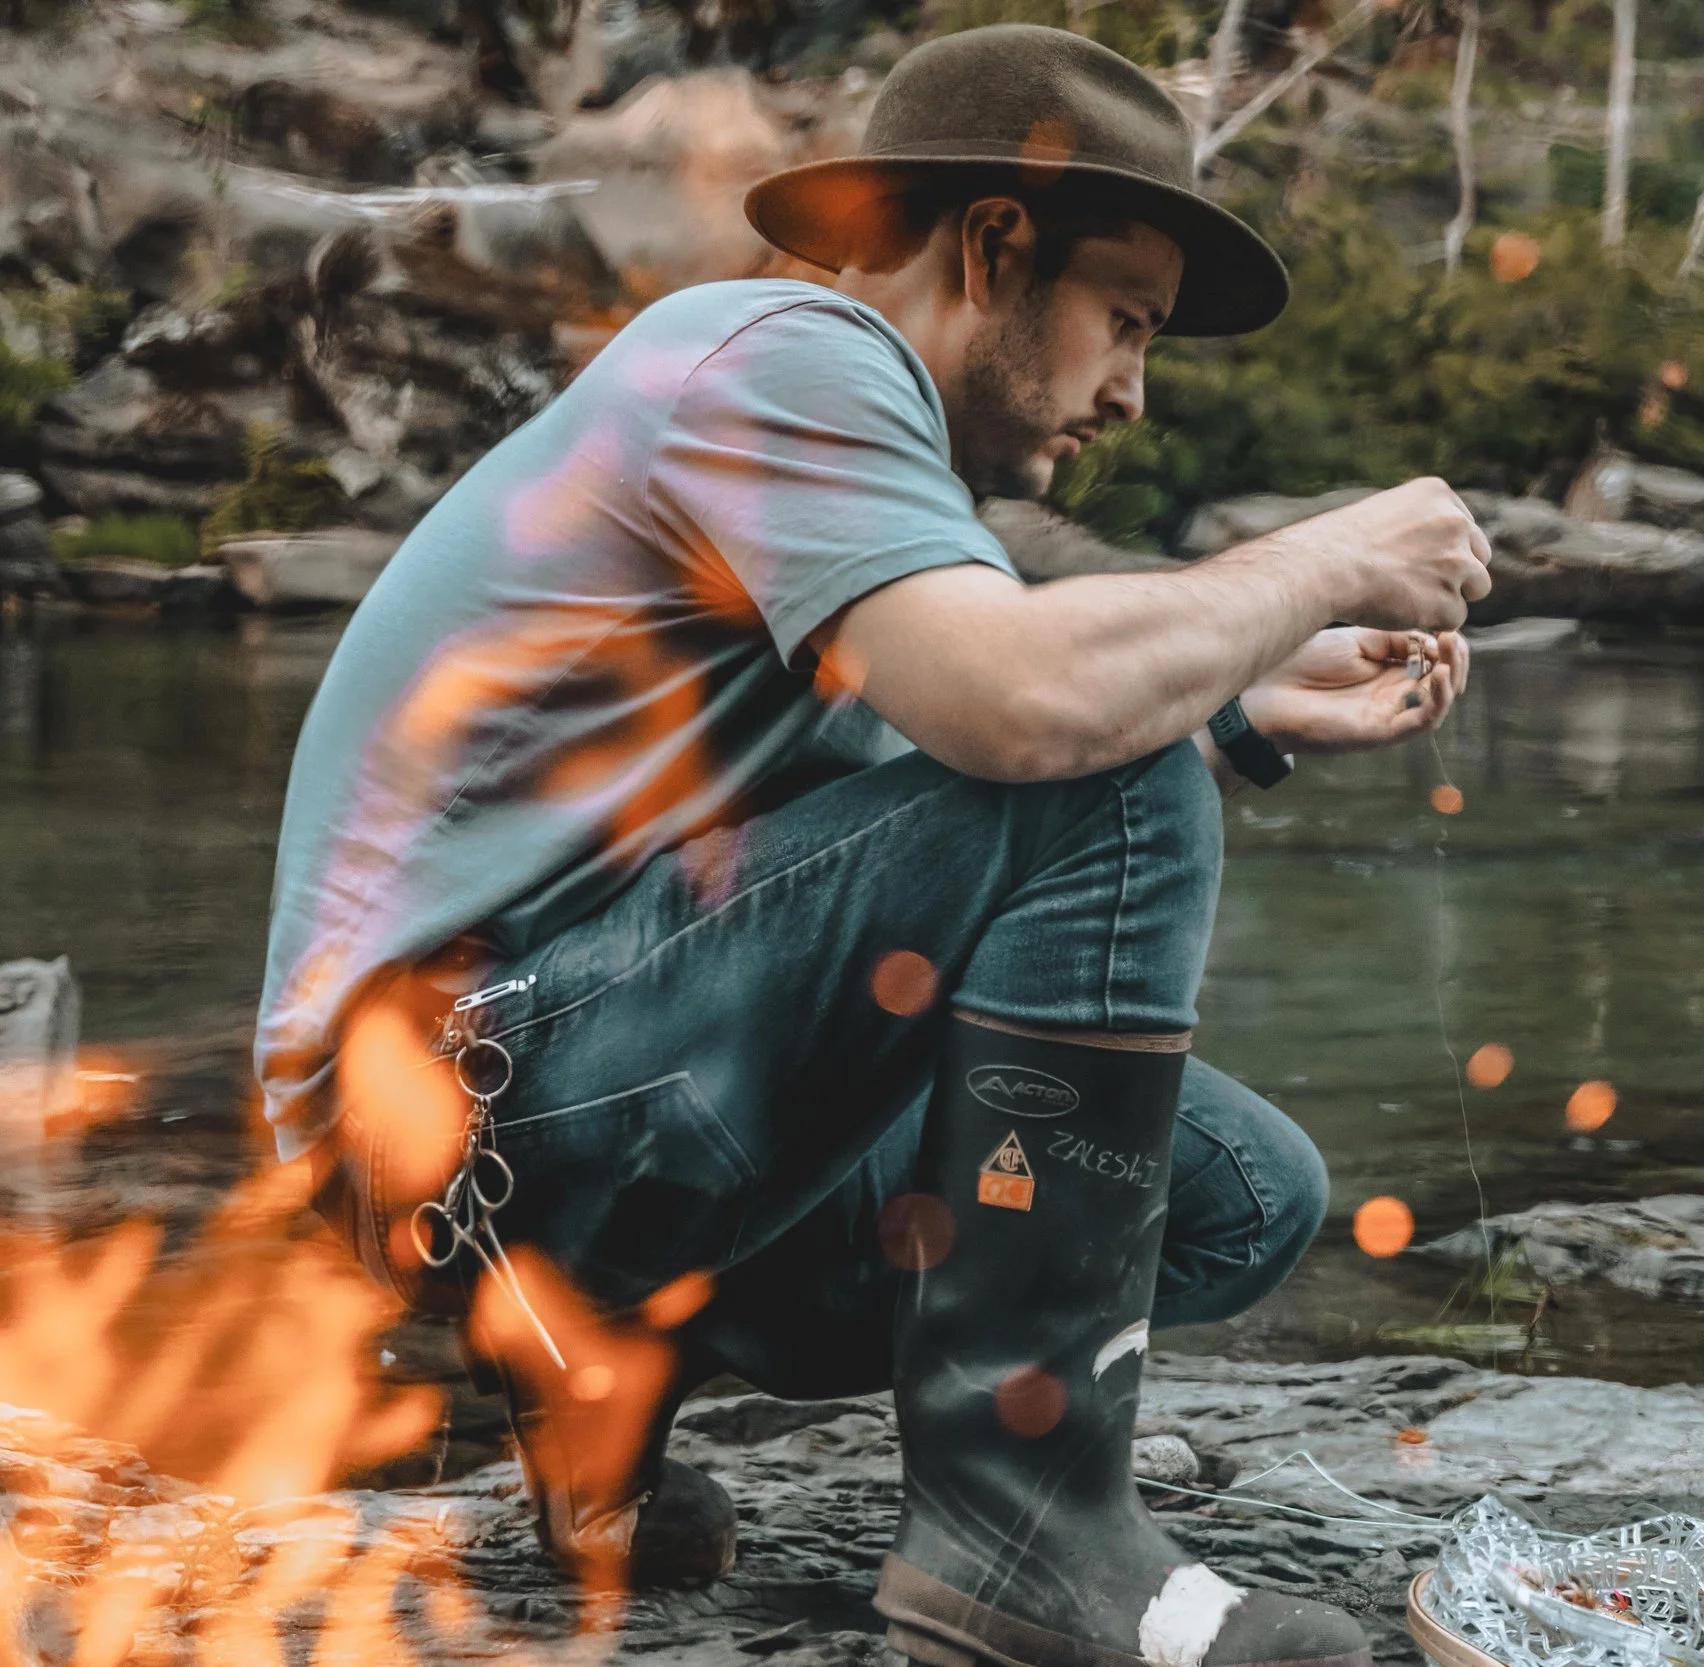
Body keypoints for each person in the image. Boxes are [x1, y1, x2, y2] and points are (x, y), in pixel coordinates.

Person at [255, 24, 1490, 1667]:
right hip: (449, 1107)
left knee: (1239, 1192)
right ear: (991, 247)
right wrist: (1325, 557)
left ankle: (604, 1384)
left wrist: (1244, 708)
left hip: (529, 1101)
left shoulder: (848, 488)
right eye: (1126, 322)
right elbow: (1028, 724)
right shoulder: (782, 352)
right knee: (1103, 764)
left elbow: (885, 834)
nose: (1132, 389)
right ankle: (1022, 1530)